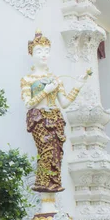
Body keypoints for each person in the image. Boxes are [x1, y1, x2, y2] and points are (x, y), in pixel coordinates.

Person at [21, 30, 89, 192]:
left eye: (46, 51)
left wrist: (78, 86)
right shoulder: (28, 79)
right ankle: (43, 184)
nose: (43, 55)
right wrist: (46, 90)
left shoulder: (55, 78)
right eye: (39, 51)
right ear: (31, 54)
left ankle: (53, 184)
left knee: (56, 155)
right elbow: (28, 103)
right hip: (39, 119)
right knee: (46, 152)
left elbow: (64, 103)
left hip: (56, 119)